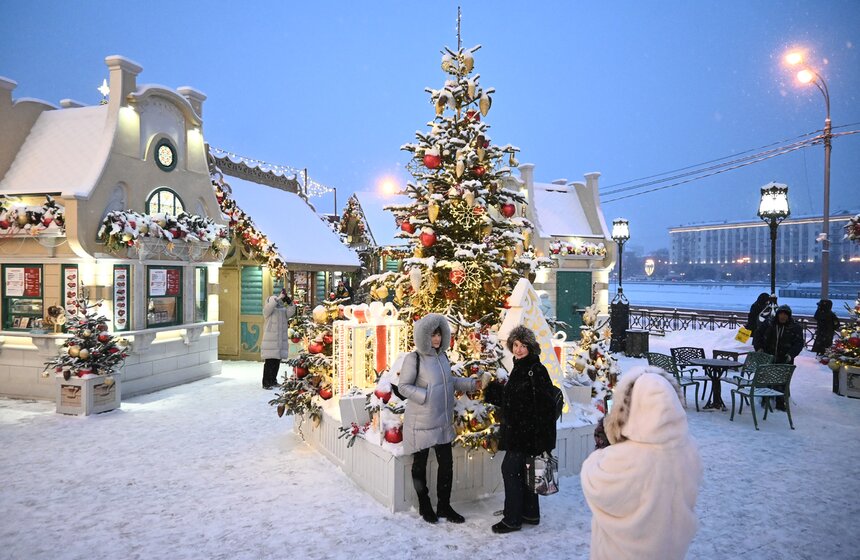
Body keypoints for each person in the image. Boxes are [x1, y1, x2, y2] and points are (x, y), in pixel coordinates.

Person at [581, 366, 702, 559]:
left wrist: (605, 446)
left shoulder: (626, 457)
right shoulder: (689, 449)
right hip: (671, 550)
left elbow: (592, 480)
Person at [397, 313, 477, 524]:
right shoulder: (413, 358)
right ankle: (425, 505)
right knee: (419, 466)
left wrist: (469, 384)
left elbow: (448, 382)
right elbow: (403, 387)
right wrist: (425, 395)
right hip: (421, 423)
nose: (437, 339)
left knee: (446, 466)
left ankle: (444, 506)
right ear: (424, 336)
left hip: (442, 421)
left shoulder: (442, 357)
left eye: (440, 334)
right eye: (433, 334)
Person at [483, 325, 557, 534]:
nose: (518, 349)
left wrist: (540, 438)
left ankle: (512, 519)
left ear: (531, 347)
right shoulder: (521, 367)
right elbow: (512, 399)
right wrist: (490, 390)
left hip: (525, 434)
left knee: (510, 471)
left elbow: (545, 406)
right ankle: (530, 514)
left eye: (523, 345)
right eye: (515, 345)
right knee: (527, 473)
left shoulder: (535, 370)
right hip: (521, 432)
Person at [753, 304, 804, 410]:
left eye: (785, 315)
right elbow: (758, 335)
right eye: (781, 314)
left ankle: (780, 401)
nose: (783, 317)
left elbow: (799, 343)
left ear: (789, 316)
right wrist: (759, 348)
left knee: (782, 380)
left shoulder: (794, 327)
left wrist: (790, 354)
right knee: (765, 377)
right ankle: (764, 398)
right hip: (768, 356)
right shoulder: (769, 323)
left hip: (784, 358)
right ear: (777, 315)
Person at [260, 288, 296, 390]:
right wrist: (277, 298)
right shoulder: (268, 312)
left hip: (280, 341)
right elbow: (268, 308)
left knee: (276, 362)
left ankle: (273, 381)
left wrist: (289, 301)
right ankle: (266, 382)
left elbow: (291, 311)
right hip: (270, 341)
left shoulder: (282, 312)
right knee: (269, 363)